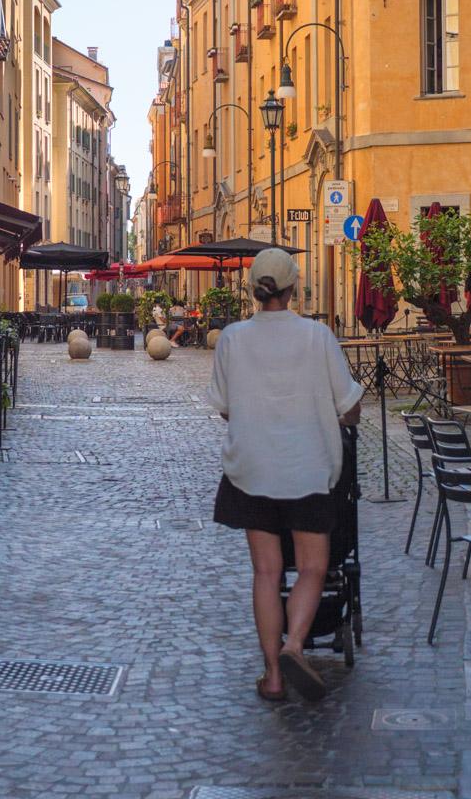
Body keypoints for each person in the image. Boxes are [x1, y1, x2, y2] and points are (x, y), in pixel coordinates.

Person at [206, 248, 363, 703]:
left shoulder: (232, 339)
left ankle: (273, 676)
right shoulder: (318, 336)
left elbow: (225, 408)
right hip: (308, 466)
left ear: (253, 289)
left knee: (266, 571)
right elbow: (349, 406)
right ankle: (295, 644)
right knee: (312, 567)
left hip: (252, 468)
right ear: (294, 288)